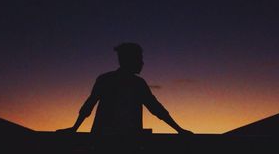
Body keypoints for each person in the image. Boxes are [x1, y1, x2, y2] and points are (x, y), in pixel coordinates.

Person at [57, 43, 193, 135]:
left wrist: (75, 128)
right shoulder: (135, 83)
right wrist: (179, 130)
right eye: (139, 59)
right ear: (129, 60)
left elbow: (89, 105)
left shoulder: (108, 79)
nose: (142, 63)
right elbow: (156, 109)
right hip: (120, 141)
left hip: (107, 138)